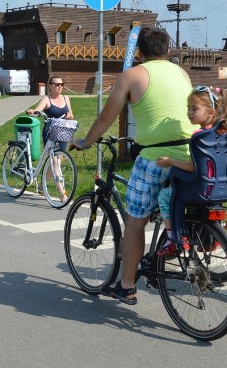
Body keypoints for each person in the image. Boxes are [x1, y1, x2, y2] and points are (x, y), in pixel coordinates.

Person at [70, 27, 193, 305]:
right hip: (188, 155)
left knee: (135, 221)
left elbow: (106, 118)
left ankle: (126, 286)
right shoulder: (182, 73)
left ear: (139, 52)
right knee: (171, 204)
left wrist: (86, 142)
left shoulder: (133, 75)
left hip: (155, 157)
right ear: (168, 50)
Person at [155, 86, 227, 256]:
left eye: (194, 109)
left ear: (210, 112)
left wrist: (170, 161)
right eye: (188, 108)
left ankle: (172, 237)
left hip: (199, 188)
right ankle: (212, 236)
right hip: (221, 188)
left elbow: (193, 167)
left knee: (165, 195)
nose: (189, 112)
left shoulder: (200, 135)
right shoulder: (225, 133)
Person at [26, 75, 74, 150]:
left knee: (61, 154)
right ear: (50, 86)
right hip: (50, 131)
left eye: (62, 84)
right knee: (53, 156)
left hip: (64, 130)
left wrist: (69, 116)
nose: (60, 86)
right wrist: (32, 112)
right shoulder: (46, 99)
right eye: (57, 85)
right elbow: (37, 111)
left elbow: (71, 116)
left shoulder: (66, 98)